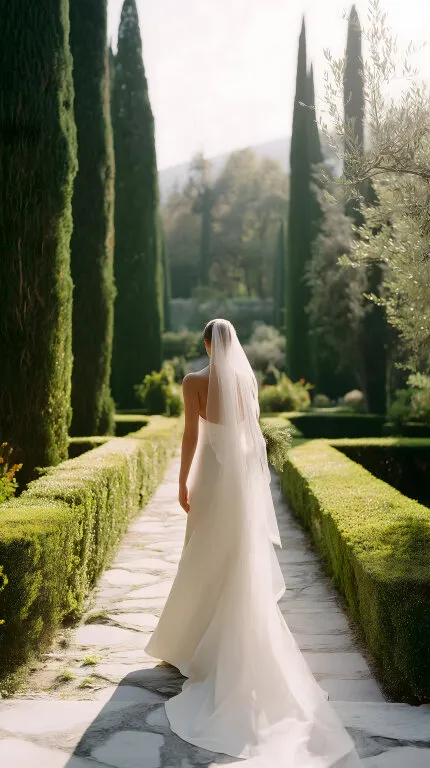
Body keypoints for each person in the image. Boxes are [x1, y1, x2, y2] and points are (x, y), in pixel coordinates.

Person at [145, 319, 362, 767]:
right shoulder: (246, 380)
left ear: (207, 343)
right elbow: (250, 438)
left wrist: (183, 481)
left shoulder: (194, 382)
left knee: (201, 555)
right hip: (239, 485)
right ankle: (214, 641)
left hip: (210, 476)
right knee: (237, 558)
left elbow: (190, 435)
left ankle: (191, 643)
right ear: (235, 345)